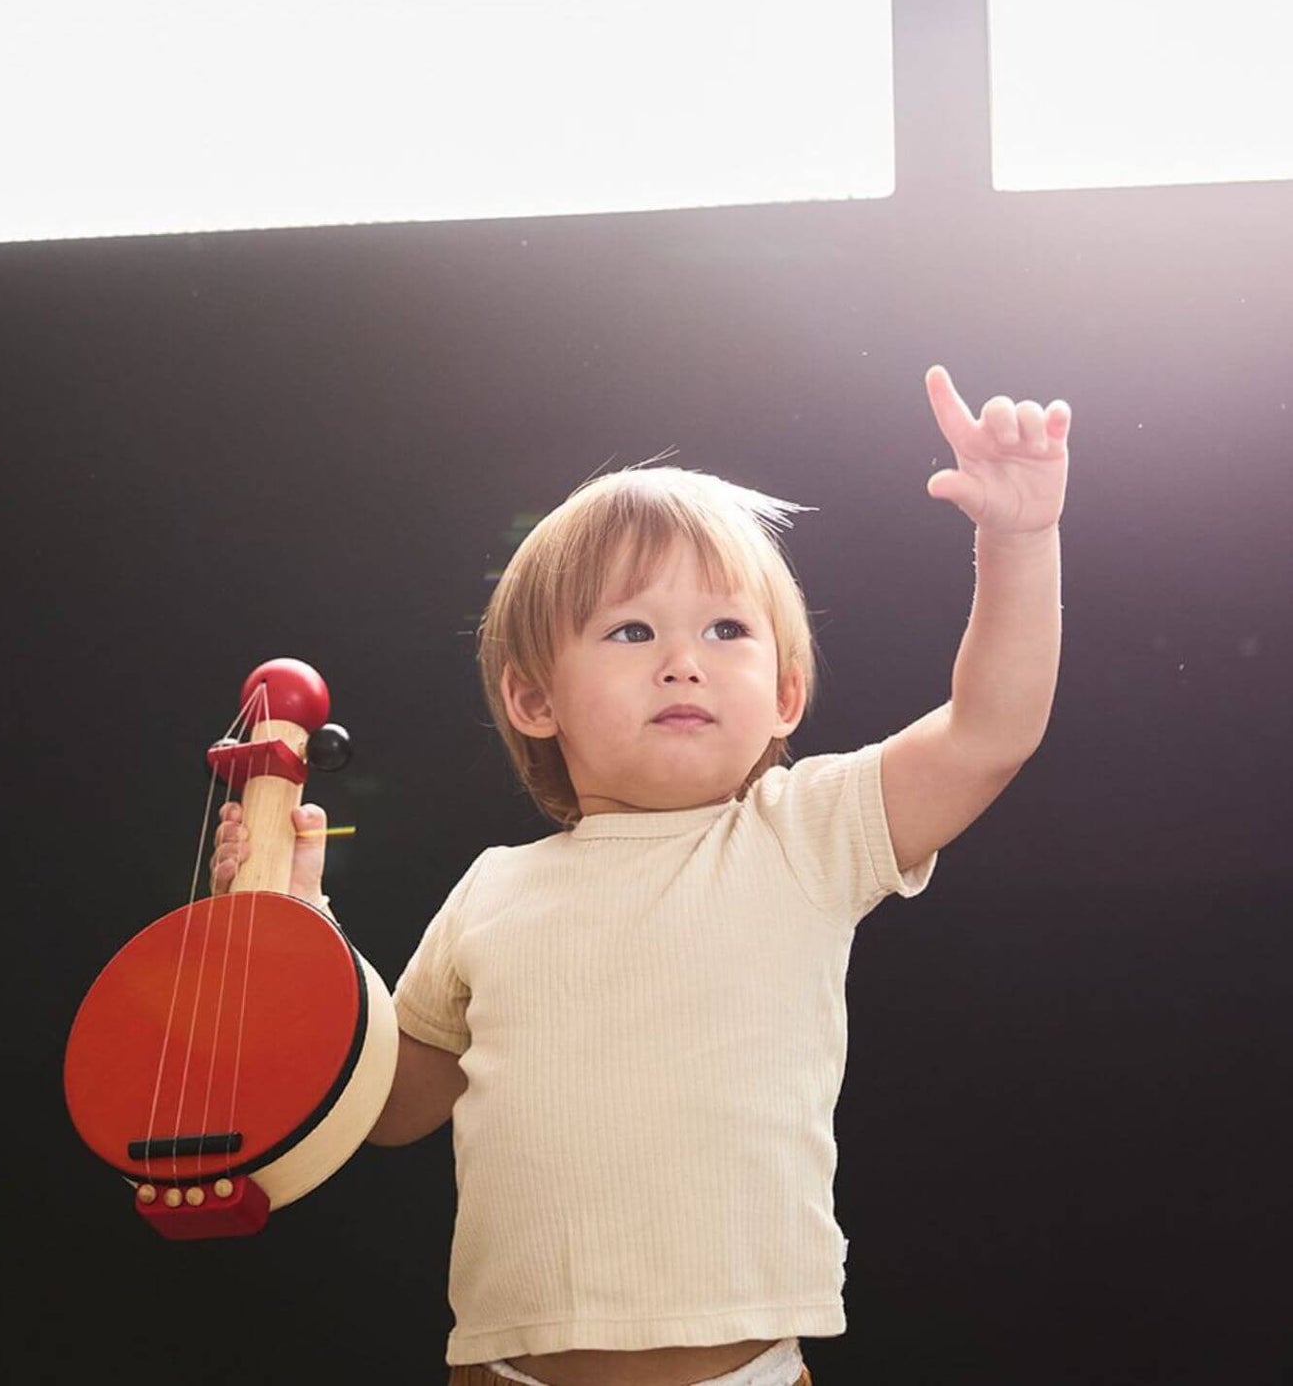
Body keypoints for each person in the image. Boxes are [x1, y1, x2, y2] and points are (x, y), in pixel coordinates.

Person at [212, 365, 1071, 1386]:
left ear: (786, 693)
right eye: (629, 629)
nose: (682, 660)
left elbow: (988, 732)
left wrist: (1015, 540)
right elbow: (394, 1106)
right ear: (533, 697)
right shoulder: (492, 890)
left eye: (725, 628)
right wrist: (298, 927)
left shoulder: (803, 833)